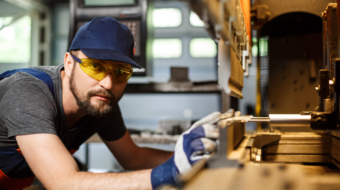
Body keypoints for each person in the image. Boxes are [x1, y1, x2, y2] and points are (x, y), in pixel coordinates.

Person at [0, 17, 219, 190]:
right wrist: (167, 173)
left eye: (120, 72)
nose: (108, 83)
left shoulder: (101, 104)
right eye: (95, 66)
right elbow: (65, 183)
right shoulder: (27, 91)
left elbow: (134, 157)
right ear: (69, 62)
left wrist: (193, 156)